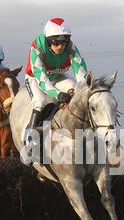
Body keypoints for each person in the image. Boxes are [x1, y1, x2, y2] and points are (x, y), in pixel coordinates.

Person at [23, 17, 88, 145]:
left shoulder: (71, 47)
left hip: (57, 77)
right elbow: (42, 80)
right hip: (35, 78)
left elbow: (81, 75)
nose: (60, 47)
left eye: (64, 43)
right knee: (40, 102)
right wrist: (58, 94)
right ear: (48, 42)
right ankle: (30, 141)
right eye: (56, 43)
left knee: (76, 89)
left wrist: (84, 90)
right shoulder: (37, 46)